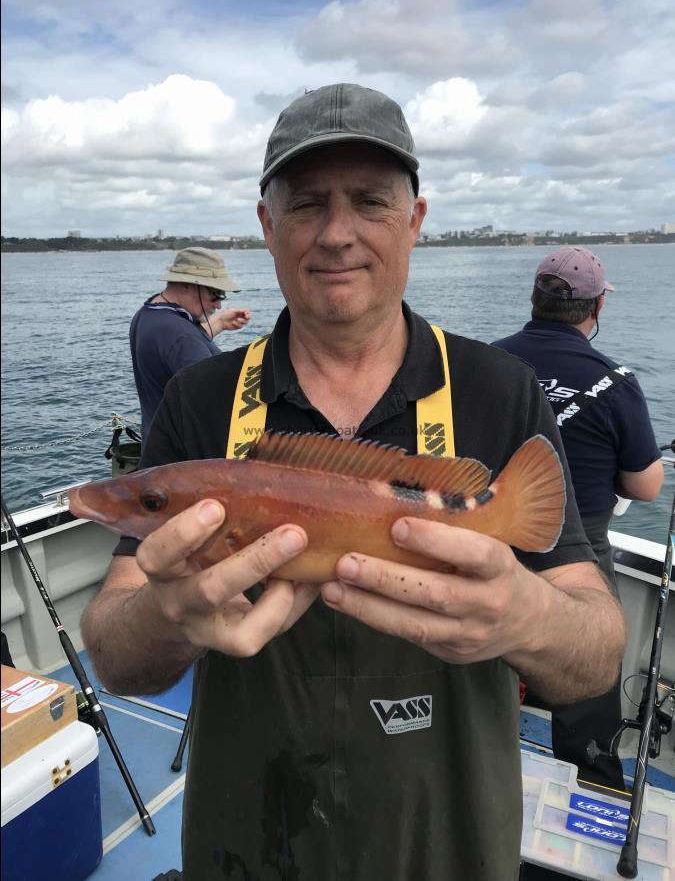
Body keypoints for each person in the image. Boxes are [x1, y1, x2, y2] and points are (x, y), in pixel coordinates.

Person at [82, 84, 626, 881]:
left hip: (449, 837)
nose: (336, 234)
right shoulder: (200, 400)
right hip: (249, 833)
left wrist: (526, 615)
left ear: (414, 220)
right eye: (306, 205)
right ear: (267, 227)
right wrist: (164, 615)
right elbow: (113, 652)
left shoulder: (499, 388)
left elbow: (597, 654)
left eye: (369, 201)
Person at [493, 246, 663, 790]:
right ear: (596, 309)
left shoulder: (483, 365)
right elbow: (646, 485)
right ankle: (589, 776)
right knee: (588, 658)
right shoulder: (615, 381)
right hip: (577, 544)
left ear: (533, 300)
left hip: (489, 535)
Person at [130, 246, 251, 440]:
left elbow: (174, 349)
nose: (219, 304)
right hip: (187, 459)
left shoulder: (149, 314)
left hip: (156, 448)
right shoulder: (182, 337)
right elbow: (216, 405)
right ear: (186, 285)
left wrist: (219, 323)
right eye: (215, 294)